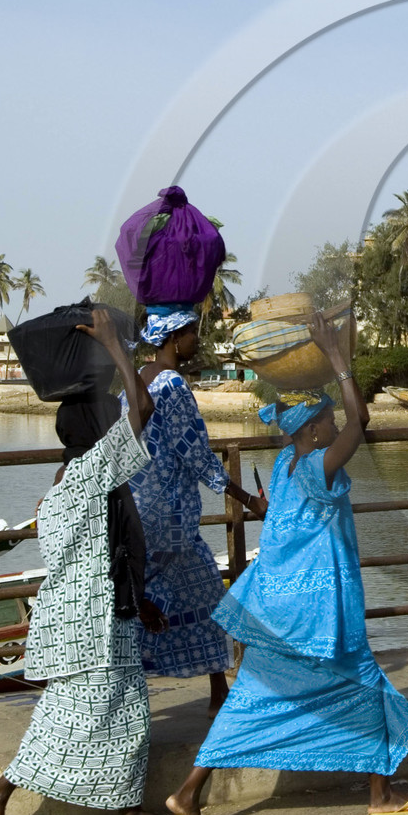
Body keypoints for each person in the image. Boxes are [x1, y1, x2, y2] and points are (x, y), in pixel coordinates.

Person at [157, 313, 408, 815]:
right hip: (316, 611)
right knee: (364, 683)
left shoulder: (286, 466)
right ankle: (380, 796)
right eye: (326, 421)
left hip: (274, 608)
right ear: (311, 430)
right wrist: (336, 357)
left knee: (252, 696)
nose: (333, 426)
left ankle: (187, 794)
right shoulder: (315, 467)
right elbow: (361, 421)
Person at [0, 308, 171, 815]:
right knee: (85, 719)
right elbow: (144, 408)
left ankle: (125, 812)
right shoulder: (93, 472)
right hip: (94, 627)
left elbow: (101, 550)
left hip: (84, 620)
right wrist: (116, 347)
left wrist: (139, 598)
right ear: (99, 432)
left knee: (118, 715)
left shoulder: (63, 482)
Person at [126, 305, 266, 711]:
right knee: (192, 596)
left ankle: (218, 690)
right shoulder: (172, 385)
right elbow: (196, 453)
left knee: (192, 592)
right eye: (191, 332)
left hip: (139, 509)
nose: (196, 339)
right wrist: (248, 500)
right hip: (169, 518)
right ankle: (209, 690)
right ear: (174, 338)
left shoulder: (140, 377)